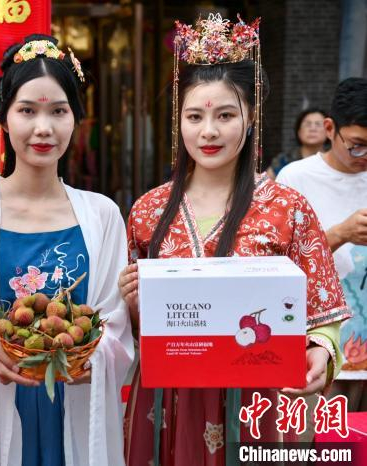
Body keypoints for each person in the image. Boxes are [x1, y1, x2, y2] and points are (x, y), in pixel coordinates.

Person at [118, 14, 350, 465]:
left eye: (225, 115)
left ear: (251, 117)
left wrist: (320, 352)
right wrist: (131, 303)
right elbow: (130, 326)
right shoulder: (148, 211)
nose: (209, 131)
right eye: (195, 116)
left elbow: (322, 310)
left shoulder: (287, 207)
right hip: (167, 399)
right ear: (178, 120)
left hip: (255, 398)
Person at [0, 35, 134, 466]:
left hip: (74, 404)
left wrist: (93, 358)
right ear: (2, 118)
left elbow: (114, 321)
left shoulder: (103, 216)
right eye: (27, 111)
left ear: (76, 118)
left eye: (58, 111)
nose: (43, 128)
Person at [277, 77, 367, 411]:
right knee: (327, 438)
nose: (364, 155)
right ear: (330, 129)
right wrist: (340, 234)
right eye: (357, 145)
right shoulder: (295, 178)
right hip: (320, 349)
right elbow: (279, 266)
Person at [267, 107, 329, 178]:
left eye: (318, 124)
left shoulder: (334, 160)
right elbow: (265, 183)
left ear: (328, 131)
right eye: (308, 124)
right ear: (299, 132)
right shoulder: (284, 160)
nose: (313, 129)